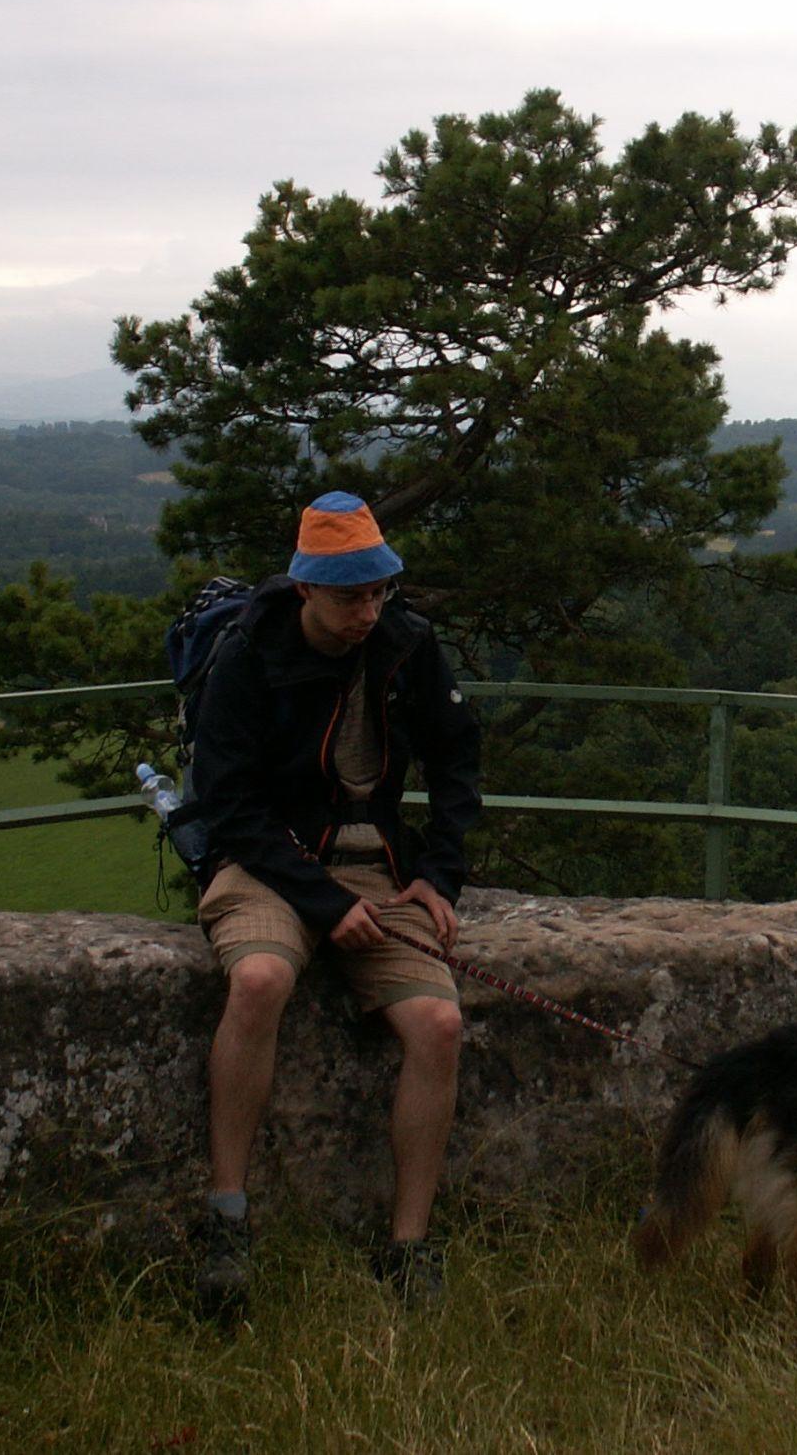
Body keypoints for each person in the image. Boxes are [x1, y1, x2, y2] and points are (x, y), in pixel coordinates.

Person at [188, 490, 482, 1314]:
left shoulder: (406, 643)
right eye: (352, 596)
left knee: (440, 1024)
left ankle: (408, 1246)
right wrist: (319, 900)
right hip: (269, 862)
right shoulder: (250, 653)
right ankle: (226, 1219)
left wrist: (440, 874)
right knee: (259, 981)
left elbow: (458, 757)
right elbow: (228, 803)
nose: (368, 612)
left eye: (379, 592)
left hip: (375, 864)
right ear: (307, 588)